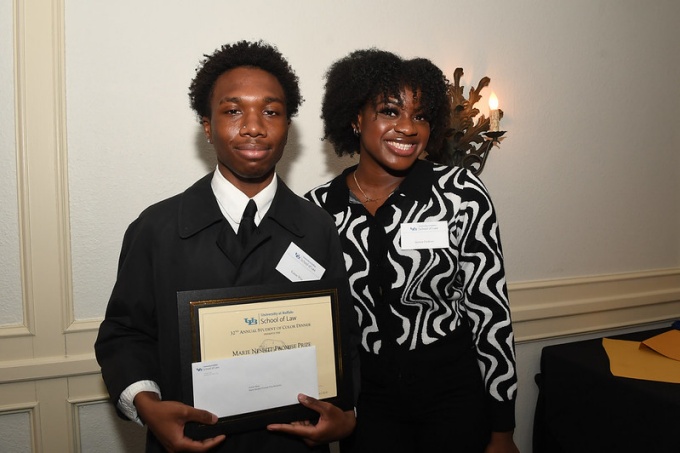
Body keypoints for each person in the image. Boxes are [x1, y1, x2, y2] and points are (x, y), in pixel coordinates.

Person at [94, 40, 356, 453]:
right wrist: (148, 406)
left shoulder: (317, 226)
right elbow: (124, 335)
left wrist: (346, 415)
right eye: (233, 111)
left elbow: (341, 333)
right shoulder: (156, 228)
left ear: (288, 125)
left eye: (271, 112)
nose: (253, 126)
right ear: (207, 125)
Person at [304, 49, 519, 453]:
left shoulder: (460, 193)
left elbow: (490, 312)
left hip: (453, 395)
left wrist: (503, 428)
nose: (407, 128)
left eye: (420, 116)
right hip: (368, 405)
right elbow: (309, 318)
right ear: (355, 117)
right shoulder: (317, 209)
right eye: (390, 111)